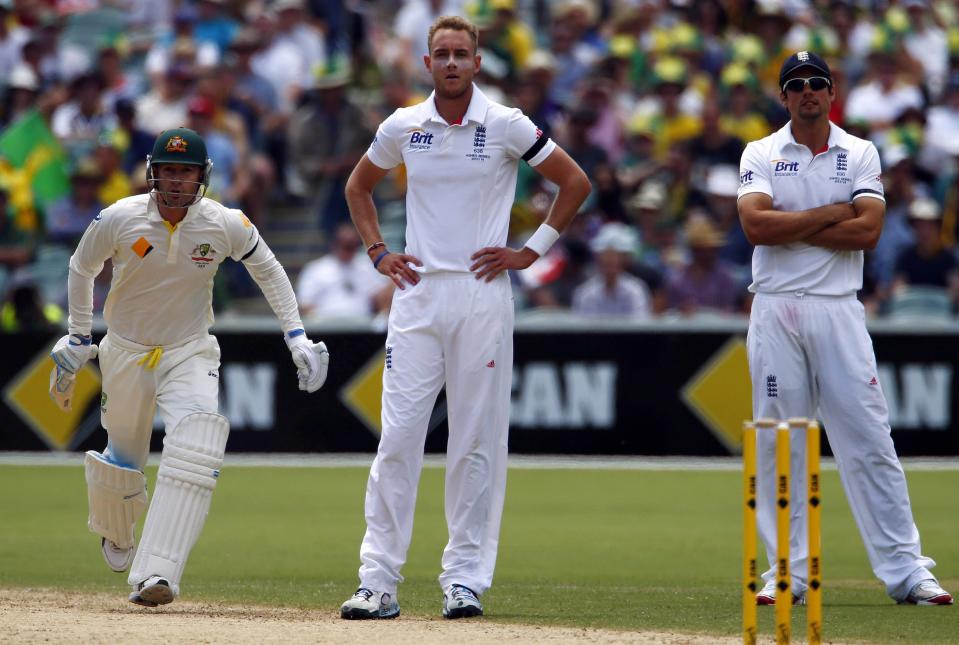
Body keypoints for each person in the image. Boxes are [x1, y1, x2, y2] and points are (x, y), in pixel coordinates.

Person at [339, 15, 590, 620]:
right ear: (427, 64)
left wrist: (530, 252)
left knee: (475, 441)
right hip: (418, 293)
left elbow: (574, 182)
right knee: (398, 438)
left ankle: (465, 580)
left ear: (477, 63)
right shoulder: (404, 123)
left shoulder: (504, 123)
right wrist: (378, 252)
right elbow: (358, 187)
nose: (451, 63)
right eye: (441, 54)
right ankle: (377, 581)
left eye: (461, 53)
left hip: (482, 293)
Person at [49, 127, 330, 608]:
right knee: (124, 463)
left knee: (197, 442)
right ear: (152, 172)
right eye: (169, 170)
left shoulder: (223, 222)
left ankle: (157, 573)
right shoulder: (121, 217)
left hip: (189, 349)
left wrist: (296, 333)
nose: (177, 181)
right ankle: (117, 531)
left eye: (187, 171)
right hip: (126, 351)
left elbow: (269, 268)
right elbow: (81, 266)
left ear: (203, 176)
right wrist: (79, 334)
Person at [737, 51, 953, 607]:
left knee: (868, 439)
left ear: (832, 93)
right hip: (776, 306)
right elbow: (757, 227)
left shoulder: (859, 150)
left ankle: (907, 571)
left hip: (837, 307)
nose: (808, 91)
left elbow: (869, 234)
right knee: (780, 443)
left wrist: (796, 227)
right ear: (783, 96)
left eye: (818, 83)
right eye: (797, 84)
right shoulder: (760, 151)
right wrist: (834, 212)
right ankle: (788, 572)